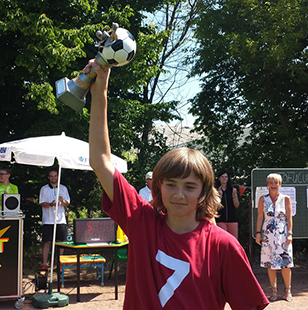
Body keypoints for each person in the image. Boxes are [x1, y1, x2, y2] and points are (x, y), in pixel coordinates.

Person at [86, 59, 269, 310]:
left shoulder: (223, 246)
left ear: (205, 191)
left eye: (190, 186)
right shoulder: (142, 222)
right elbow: (101, 161)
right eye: (170, 184)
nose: (179, 194)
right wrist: (100, 93)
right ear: (158, 186)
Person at [256, 173, 293, 302]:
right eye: (271, 182)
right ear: (267, 184)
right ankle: (274, 291)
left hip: (282, 236)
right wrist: (258, 233)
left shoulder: (286, 198)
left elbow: (289, 217)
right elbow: (260, 216)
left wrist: (290, 233)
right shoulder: (262, 199)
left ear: (280, 184)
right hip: (268, 235)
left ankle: (288, 290)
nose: (273, 185)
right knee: (270, 265)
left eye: (276, 182)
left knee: (285, 264)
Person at [39, 168, 70, 270]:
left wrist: (62, 201)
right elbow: (42, 203)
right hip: (48, 220)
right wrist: (51, 204)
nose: (53, 178)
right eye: (51, 176)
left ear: (58, 176)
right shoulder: (44, 189)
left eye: (55, 176)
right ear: (48, 177)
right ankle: (45, 263)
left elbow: (67, 203)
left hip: (60, 220)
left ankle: (60, 262)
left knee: (60, 242)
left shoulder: (63, 188)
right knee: (47, 242)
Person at [215, 171, 240, 239]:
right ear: (219, 178)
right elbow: (215, 207)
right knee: (223, 239)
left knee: (234, 240)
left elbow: (237, 205)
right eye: (222, 177)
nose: (224, 178)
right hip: (220, 219)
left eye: (226, 177)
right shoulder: (215, 190)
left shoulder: (233, 190)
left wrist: (234, 196)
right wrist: (219, 196)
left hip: (232, 219)